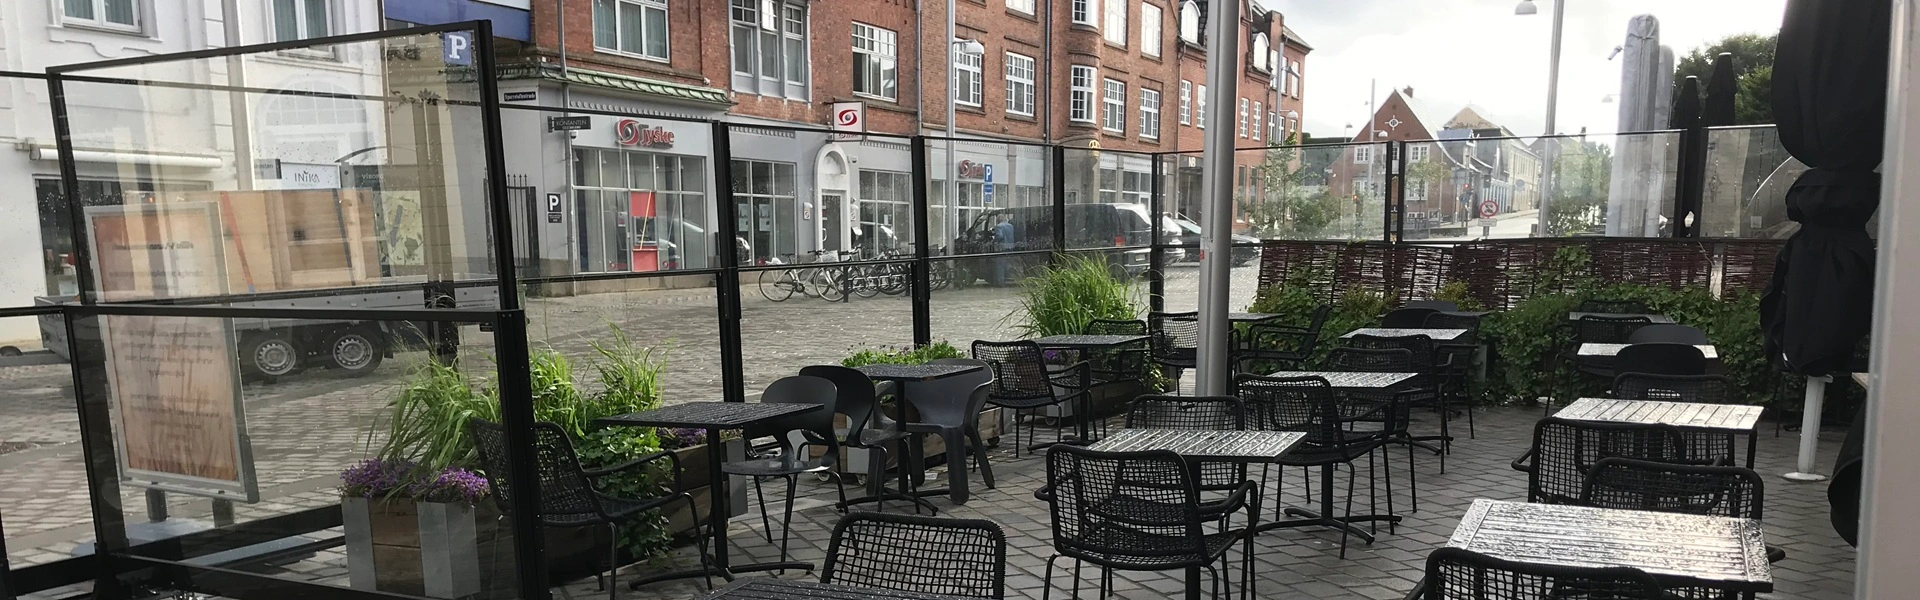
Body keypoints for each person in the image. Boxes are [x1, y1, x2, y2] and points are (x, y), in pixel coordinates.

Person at [991, 213, 1016, 285]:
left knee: (1000, 264)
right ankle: (1010, 278)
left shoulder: (998, 226)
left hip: (1002, 248)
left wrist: (994, 241)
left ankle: (1001, 281)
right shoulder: (1011, 226)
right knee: (1008, 264)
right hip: (1010, 247)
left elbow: (1000, 236)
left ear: (998, 220)